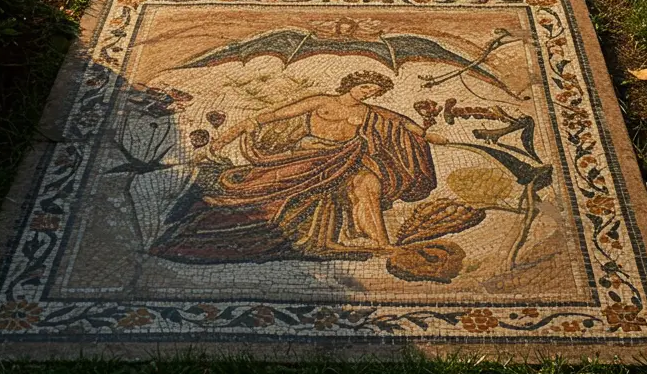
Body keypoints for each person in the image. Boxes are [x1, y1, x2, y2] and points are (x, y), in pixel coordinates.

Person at [150, 72, 440, 263]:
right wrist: (232, 132)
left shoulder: (369, 112)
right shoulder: (320, 102)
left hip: (346, 159)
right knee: (256, 189)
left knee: (369, 184)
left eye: (373, 91)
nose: (367, 93)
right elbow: (275, 115)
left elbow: (401, 122)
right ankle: (204, 208)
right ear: (351, 84)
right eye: (365, 86)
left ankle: (380, 241)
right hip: (307, 157)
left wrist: (428, 134)